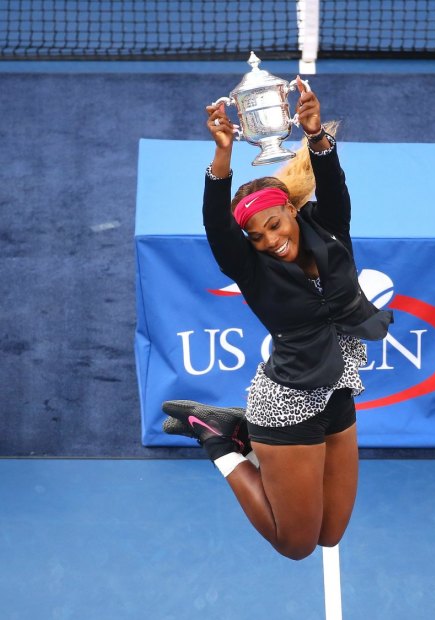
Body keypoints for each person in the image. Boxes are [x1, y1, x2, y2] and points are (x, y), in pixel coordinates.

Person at [162, 78, 393, 561]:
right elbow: (215, 225)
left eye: (274, 224)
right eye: (256, 235)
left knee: (330, 535)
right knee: (296, 545)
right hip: (285, 405)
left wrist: (315, 136)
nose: (270, 240)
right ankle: (220, 439)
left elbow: (333, 183)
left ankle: (236, 430)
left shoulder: (329, 232)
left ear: (290, 210)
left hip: (337, 390)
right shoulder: (251, 269)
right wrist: (222, 153)